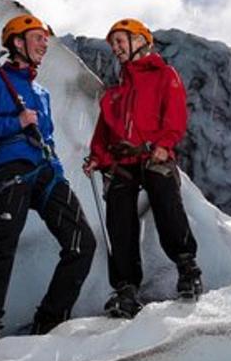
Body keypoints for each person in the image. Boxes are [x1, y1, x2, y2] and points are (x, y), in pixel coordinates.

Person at [0, 13, 96, 353]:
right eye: (38, 39)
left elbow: (46, 136)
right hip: (11, 167)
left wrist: (60, 175)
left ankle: (49, 323)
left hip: (47, 170)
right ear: (17, 43)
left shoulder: (41, 92)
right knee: (3, 243)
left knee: (82, 242)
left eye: (46, 41)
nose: (44, 46)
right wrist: (14, 122)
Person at [83, 18, 202, 318]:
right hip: (123, 162)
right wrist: (98, 157)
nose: (116, 48)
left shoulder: (164, 75)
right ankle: (126, 289)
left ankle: (187, 267)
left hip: (152, 155)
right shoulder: (115, 94)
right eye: (113, 44)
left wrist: (163, 144)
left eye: (120, 41)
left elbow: (174, 115)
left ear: (140, 41)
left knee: (165, 201)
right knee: (119, 218)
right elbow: (103, 134)